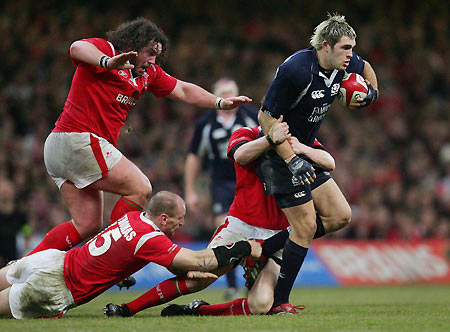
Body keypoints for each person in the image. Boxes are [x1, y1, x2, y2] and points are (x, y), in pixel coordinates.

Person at [26, 18, 251, 262]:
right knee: (141, 188)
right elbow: (76, 48)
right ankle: (115, 256)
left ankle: (21, 268)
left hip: (61, 147)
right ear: (133, 44)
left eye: (157, 55)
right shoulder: (108, 50)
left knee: (87, 224)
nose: (153, 60)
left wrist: (219, 102)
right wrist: (107, 62)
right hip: (78, 139)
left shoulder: (148, 74)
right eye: (149, 53)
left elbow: (184, 90)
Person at [104, 117, 337, 317]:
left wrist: (301, 149)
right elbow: (241, 156)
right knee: (198, 278)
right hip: (241, 225)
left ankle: (198, 311)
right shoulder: (246, 134)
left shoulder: (300, 140)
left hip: (277, 234)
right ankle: (127, 309)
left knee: (261, 305)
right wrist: (270, 139)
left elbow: (329, 162)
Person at [257, 13, 378, 313]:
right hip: (280, 154)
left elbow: (367, 68)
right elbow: (265, 117)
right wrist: (290, 158)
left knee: (340, 216)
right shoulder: (295, 70)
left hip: (306, 148)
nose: (351, 55)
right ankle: (279, 302)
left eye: (352, 48)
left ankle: (263, 250)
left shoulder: (345, 64)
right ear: (325, 46)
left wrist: (373, 93)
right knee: (306, 226)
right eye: (345, 48)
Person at [0, 191, 262, 319]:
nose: (181, 225)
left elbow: (125, 255)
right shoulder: (150, 238)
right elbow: (200, 260)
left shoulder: (133, 217)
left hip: (51, 259)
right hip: (56, 286)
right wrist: (243, 247)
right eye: (178, 219)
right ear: (163, 217)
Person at [184, 77, 258, 299]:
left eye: (233, 92)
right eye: (224, 93)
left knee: (254, 232)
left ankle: (252, 278)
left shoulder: (250, 116)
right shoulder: (205, 123)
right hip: (221, 184)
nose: (230, 97)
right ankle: (233, 286)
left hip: (249, 180)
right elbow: (194, 157)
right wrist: (190, 190)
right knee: (224, 228)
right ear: (216, 97)